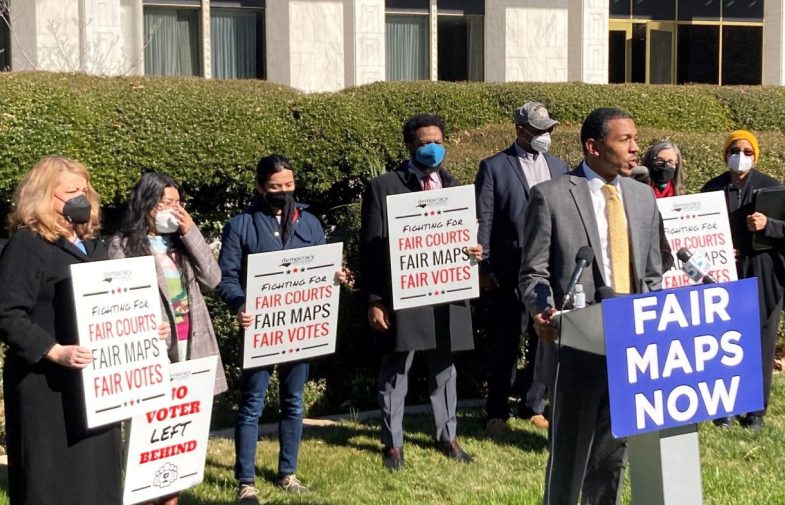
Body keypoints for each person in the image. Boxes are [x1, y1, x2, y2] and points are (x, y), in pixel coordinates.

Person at [520, 108, 663, 505]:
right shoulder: (550, 196)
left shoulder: (642, 196)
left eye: (636, 138)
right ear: (593, 147)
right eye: (624, 140)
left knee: (612, 456)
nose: (636, 148)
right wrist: (542, 311)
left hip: (631, 345)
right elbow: (533, 273)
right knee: (569, 459)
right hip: (576, 347)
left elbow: (651, 273)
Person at [0, 156, 122, 504]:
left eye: (85, 190)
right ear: (45, 197)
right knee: (52, 485)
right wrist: (54, 351)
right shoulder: (27, 245)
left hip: (95, 391)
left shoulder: (94, 246)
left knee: (98, 484)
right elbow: (7, 314)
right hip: (47, 392)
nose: (82, 197)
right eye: (71, 191)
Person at [217, 155, 345, 502]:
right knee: (252, 404)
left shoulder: (311, 223)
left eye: (288, 185)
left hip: (299, 330)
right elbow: (225, 277)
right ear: (260, 188)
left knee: (293, 401)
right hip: (261, 330)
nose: (283, 192)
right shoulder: (241, 225)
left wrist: (336, 276)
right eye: (275, 187)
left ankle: (287, 472)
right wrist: (239, 304)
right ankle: (246, 481)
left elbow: (321, 266)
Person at [361, 113, 483, 470]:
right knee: (397, 368)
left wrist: (475, 251)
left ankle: (447, 435)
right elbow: (369, 249)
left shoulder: (456, 187)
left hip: (448, 293)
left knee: (445, 369)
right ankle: (393, 444)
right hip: (403, 294)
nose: (433, 148)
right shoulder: (383, 186)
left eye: (438, 141)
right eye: (424, 142)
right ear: (410, 146)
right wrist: (374, 300)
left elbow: (466, 236)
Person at [108, 172, 229, 505]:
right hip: (153, 353)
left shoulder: (181, 242)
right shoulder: (122, 245)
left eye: (178, 203)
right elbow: (118, 299)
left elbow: (213, 277)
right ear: (147, 205)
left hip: (190, 349)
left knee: (178, 435)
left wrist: (190, 232)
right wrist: (145, 325)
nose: (175, 209)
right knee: (148, 439)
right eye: (167, 203)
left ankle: (171, 498)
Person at [701, 130, 785, 432]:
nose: (741, 156)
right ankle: (724, 408)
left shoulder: (771, 188)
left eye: (747, 151)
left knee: (760, 341)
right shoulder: (713, 188)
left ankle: (755, 412)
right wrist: (717, 250)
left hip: (763, 272)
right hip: (724, 272)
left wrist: (768, 225)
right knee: (723, 340)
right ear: (725, 153)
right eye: (735, 150)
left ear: (755, 156)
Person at [475, 101, 568, 436]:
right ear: (519, 129)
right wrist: (483, 265)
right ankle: (497, 410)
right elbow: (484, 218)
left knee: (545, 337)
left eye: (549, 129)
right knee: (505, 340)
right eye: (538, 129)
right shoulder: (495, 166)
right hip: (507, 267)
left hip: (547, 267)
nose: (545, 135)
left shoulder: (559, 166)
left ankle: (533, 404)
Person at [639, 140, 688, 273]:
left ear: (677, 166)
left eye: (671, 162)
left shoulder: (682, 197)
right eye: (660, 161)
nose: (665, 166)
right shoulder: (638, 194)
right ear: (650, 161)